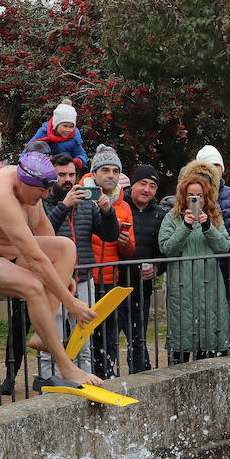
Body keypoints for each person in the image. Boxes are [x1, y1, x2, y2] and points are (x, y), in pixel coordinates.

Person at [0, 151, 101, 387]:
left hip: (4, 250)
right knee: (33, 286)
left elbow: (42, 227)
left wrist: (64, 273)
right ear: (24, 182)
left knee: (65, 248)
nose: (46, 195)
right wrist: (71, 303)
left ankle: (42, 332)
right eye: (41, 190)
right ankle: (67, 367)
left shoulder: (31, 192)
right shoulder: (2, 197)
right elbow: (36, 260)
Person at [41, 148, 119, 384]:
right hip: (53, 283)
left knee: (83, 336)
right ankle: (49, 382)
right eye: (62, 175)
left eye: (72, 175)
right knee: (51, 337)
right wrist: (64, 206)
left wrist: (107, 212)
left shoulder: (87, 204)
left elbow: (110, 235)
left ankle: (83, 381)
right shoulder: (42, 202)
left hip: (84, 279)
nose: (68, 180)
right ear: (52, 177)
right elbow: (43, 233)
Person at [159, 161, 230, 363]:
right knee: (181, 345)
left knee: (208, 345)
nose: (195, 199)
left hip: (210, 287)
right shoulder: (171, 218)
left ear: (206, 196)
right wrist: (185, 226)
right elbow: (167, 248)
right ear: (183, 195)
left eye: (199, 195)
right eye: (192, 195)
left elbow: (224, 246)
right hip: (182, 289)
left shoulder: (215, 218)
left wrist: (207, 226)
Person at [83, 146, 134, 378]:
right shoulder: (81, 197)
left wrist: (124, 242)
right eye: (105, 170)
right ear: (94, 173)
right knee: (84, 334)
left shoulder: (123, 205)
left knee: (109, 335)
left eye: (115, 170)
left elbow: (130, 250)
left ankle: (107, 374)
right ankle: (84, 374)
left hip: (110, 279)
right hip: (84, 278)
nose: (111, 175)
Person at [121, 164, 164, 373]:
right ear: (133, 184)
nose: (147, 189)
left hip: (141, 289)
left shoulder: (160, 215)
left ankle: (139, 377)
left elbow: (165, 252)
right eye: (143, 184)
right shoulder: (119, 207)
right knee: (108, 341)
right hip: (113, 286)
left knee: (138, 339)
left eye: (152, 186)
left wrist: (157, 268)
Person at [25, 99, 89, 172]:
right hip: (43, 171)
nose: (68, 130)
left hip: (65, 171)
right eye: (65, 126)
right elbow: (28, 149)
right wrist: (22, 164)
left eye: (71, 127)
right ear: (56, 125)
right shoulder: (43, 132)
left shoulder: (74, 138)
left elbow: (81, 154)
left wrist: (77, 162)